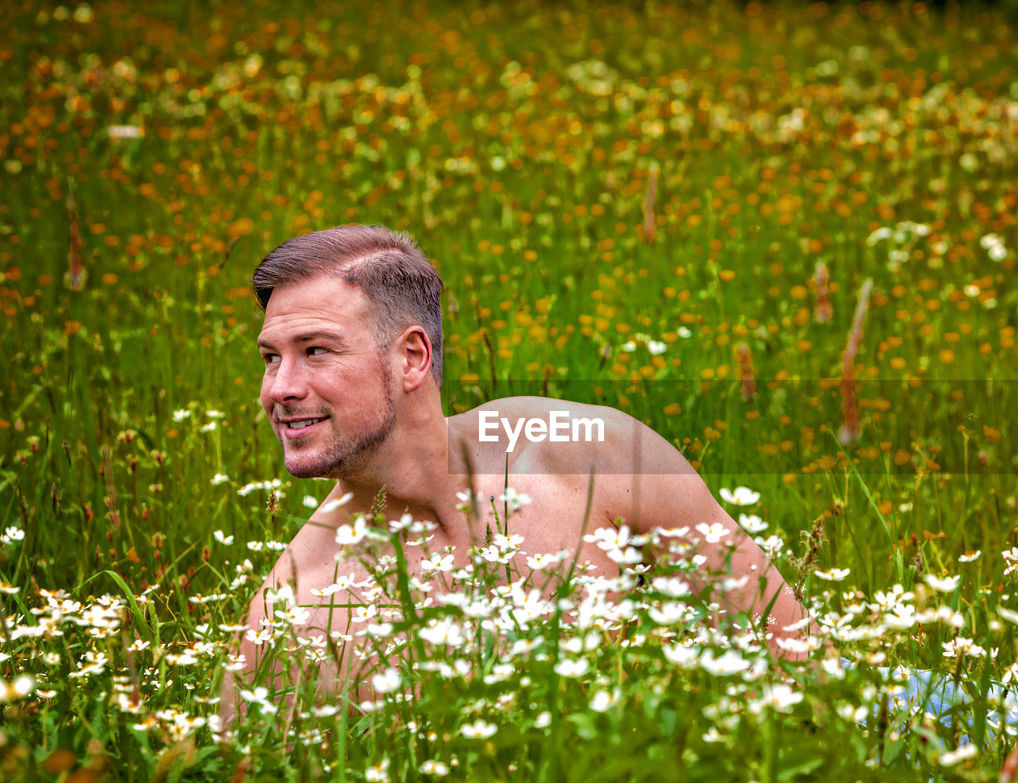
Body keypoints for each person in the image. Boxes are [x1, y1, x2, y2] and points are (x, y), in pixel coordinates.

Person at [232, 225, 812, 704]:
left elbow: (801, 660)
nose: (279, 389)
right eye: (270, 358)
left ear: (411, 357)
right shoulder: (294, 609)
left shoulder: (589, 453)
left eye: (315, 351)